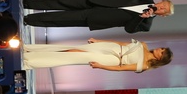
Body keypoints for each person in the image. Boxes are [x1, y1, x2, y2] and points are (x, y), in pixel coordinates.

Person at [22, 0, 173, 33]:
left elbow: (129, 29)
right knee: (60, 0)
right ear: (160, 0)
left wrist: (140, 18)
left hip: (98, 18)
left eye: (163, 9)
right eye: (162, 4)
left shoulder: (146, 25)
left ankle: (29, 20)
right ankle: (28, 3)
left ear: (163, 15)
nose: (160, 7)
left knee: (61, 19)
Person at [21, 39, 172, 72]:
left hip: (112, 59)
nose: (160, 49)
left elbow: (122, 68)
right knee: (73, 49)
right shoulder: (144, 45)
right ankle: (31, 50)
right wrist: (99, 40)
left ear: (160, 58)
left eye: (162, 51)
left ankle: (32, 60)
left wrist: (101, 66)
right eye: (162, 48)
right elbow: (122, 43)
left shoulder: (144, 66)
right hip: (110, 47)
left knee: (73, 55)